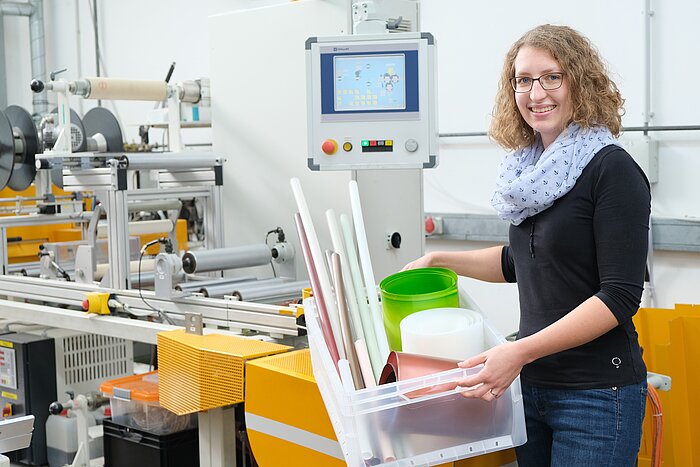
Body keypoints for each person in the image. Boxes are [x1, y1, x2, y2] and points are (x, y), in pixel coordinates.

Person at [403, 24, 650, 466]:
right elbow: (520, 262)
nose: (536, 93)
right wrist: (441, 260)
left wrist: (517, 351)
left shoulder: (611, 170)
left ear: (580, 81)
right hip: (531, 386)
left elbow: (619, 296)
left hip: (596, 394)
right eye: (523, 80)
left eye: (551, 77)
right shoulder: (532, 173)